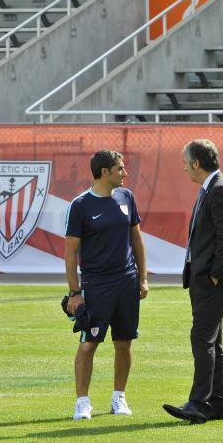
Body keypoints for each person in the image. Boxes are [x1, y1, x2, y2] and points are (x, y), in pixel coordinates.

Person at [64, 150, 149, 420]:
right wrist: (75, 293)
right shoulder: (80, 205)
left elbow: (136, 239)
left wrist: (143, 277)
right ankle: (82, 402)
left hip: (127, 281)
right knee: (89, 344)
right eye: (120, 168)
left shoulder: (127, 197)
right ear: (104, 172)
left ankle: (118, 398)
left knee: (124, 343)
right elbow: (70, 252)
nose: (125, 173)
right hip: (97, 285)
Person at [163, 139, 223, 424]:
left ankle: (198, 404)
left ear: (196, 163)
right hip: (207, 278)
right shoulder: (213, 188)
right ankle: (219, 404)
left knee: (201, 337)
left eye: (185, 162)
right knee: (212, 341)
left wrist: (214, 274)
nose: (184, 168)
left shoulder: (220, 190)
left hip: (214, 280)